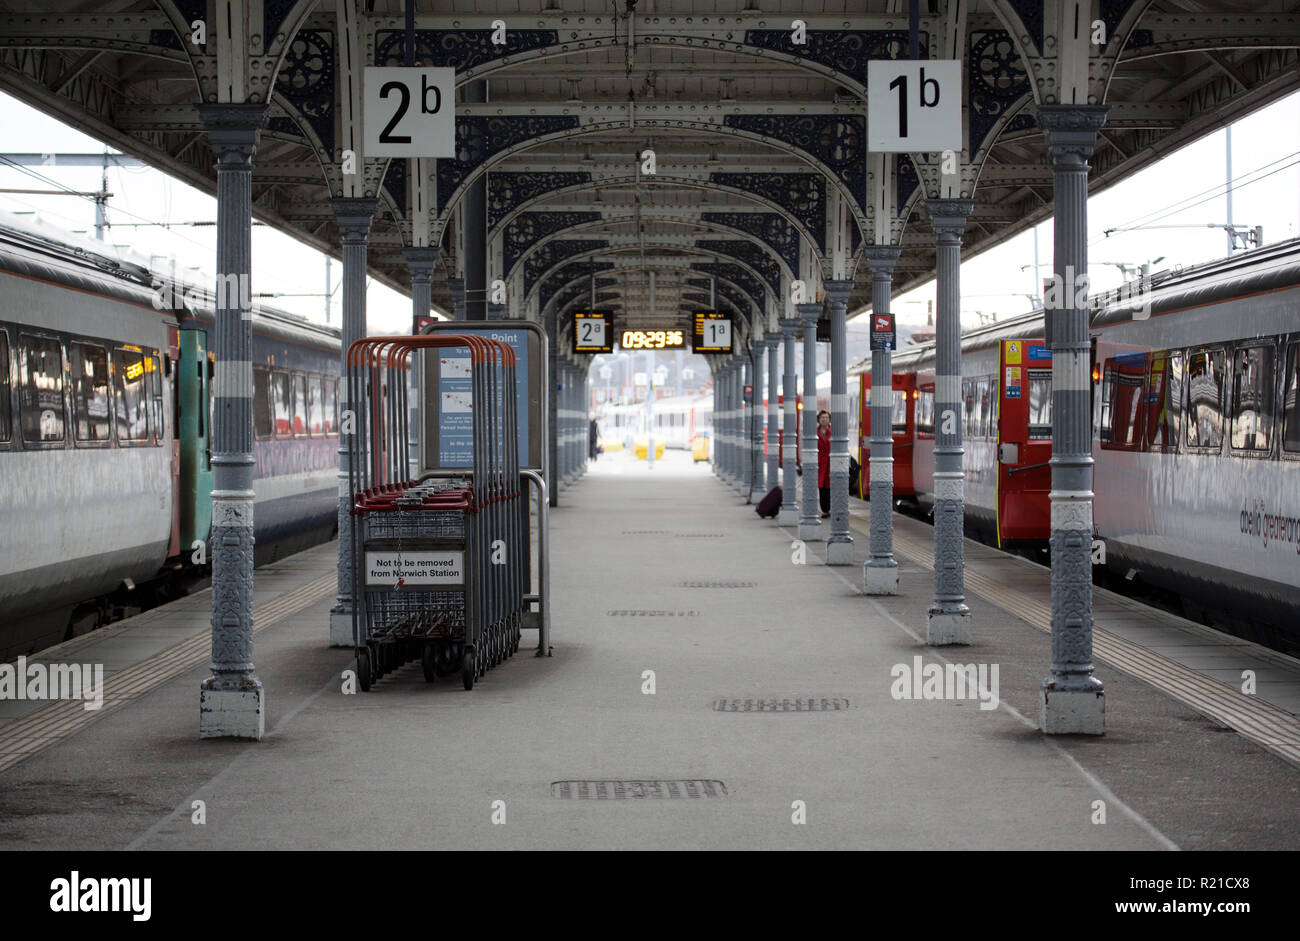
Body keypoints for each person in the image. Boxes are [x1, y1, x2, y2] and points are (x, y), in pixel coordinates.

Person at [816, 409, 831, 517]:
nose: (824, 419)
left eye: (826, 417)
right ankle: (824, 510)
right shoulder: (815, 433)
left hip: (830, 463)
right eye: (822, 418)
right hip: (820, 463)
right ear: (819, 420)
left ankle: (829, 508)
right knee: (822, 488)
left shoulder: (833, 431)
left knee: (830, 487)